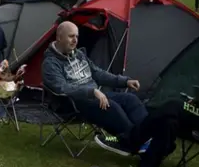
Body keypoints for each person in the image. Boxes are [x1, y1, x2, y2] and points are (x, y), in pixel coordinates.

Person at [42, 21, 149, 154]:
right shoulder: (50, 63)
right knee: (112, 107)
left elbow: (97, 73)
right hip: (73, 103)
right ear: (59, 37)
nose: (75, 40)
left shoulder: (79, 54)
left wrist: (124, 81)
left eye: (76, 36)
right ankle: (134, 142)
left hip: (95, 95)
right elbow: (62, 88)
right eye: (71, 36)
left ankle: (148, 137)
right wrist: (91, 92)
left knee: (130, 99)